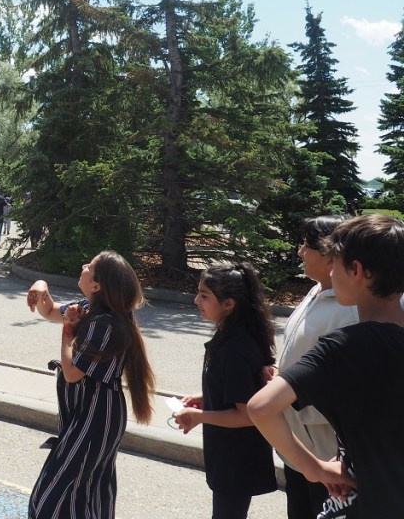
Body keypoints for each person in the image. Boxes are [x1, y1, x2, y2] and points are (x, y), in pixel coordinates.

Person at [248, 213, 404, 516]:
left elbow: (261, 407)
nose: (332, 274)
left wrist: (314, 468)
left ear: (357, 270)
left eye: (336, 264)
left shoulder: (342, 346)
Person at [26, 251, 155, 519]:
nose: (83, 266)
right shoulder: (90, 308)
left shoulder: (104, 323)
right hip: (89, 412)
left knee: (57, 491)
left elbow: (73, 373)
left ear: (97, 285)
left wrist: (68, 332)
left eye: (89, 266)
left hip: (97, 415)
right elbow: (49, 310)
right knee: (86, 489)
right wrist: (41, 287)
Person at [172, 262, 277, 519]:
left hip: (237, 459)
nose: (196, 300)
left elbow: (246, 414)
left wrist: (200, 416)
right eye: (198, 292)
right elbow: (234, 391)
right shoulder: (228, 336)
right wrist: (206, 399)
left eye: (205, 296)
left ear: (229, 304)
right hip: (227, 453)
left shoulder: (234, 349)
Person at [275, 215, 357, 519]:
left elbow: (348, 386)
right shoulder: (317, 291)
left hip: (324, 450)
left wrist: (284, 398)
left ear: (329, 254)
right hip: (299, 446)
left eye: (306, 245)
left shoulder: (349, 309)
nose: (299, 252)